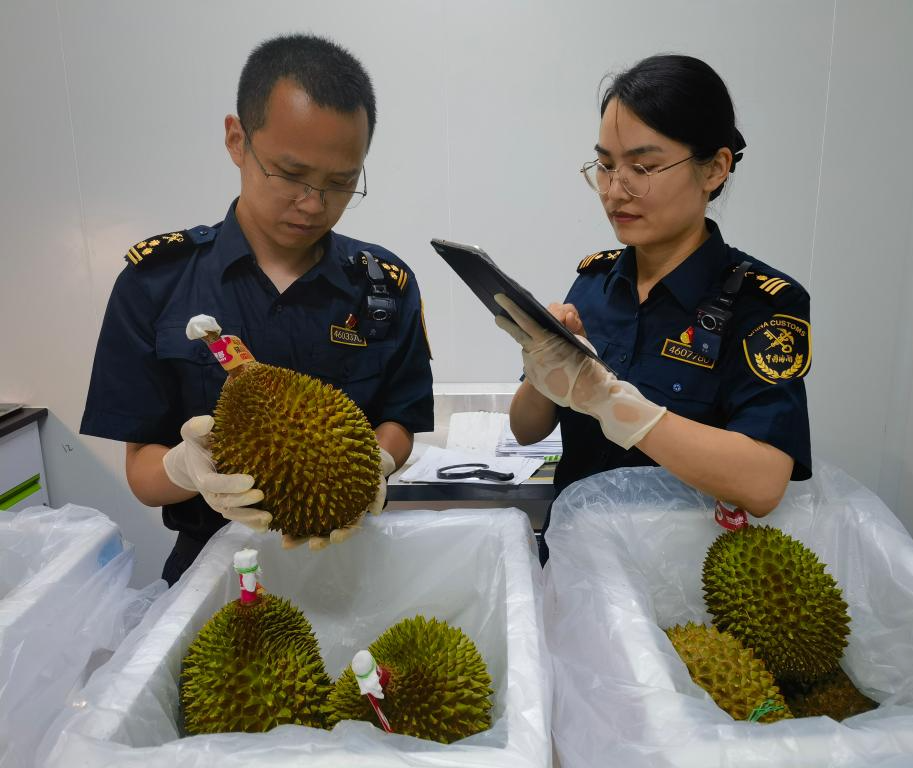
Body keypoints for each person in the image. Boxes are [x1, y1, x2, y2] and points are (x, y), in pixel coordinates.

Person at [80, 34, 433, 585]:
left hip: (350, 562)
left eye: (341, 183)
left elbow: (400, 419)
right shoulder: (155, 282)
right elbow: (143, 476)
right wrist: (187, 467)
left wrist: (374, 467)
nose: (313, 204)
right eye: (290, 174)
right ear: (236, 140)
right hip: (213, 571)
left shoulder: (383, 286)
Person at [496, 55, 811, 560]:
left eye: (642, 167)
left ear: (714, 168)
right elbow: (525, 428)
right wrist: (543, 366)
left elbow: (763, 483)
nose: (615, 190)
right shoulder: (595, 282)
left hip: (681, 585)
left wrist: (612, 402)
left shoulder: (764, 304)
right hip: (575, 565)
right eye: (605, 165)